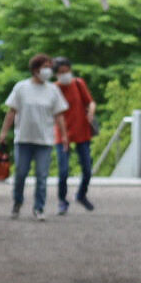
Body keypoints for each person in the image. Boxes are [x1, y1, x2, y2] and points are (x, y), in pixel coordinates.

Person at [0, 52, 68, 221]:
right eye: (45, 67)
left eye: (49, 68)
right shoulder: (21, 87)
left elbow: (59, 115)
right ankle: (17, 202)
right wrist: (3, 132)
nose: (48, 71)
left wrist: (64, 136)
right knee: (21, 173)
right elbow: (11, 112)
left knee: (42, 176)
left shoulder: (53, 90)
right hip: (23, 139)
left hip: (44, 140)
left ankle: (39, 207)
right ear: (36, 69)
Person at [52, 57, 97, 214]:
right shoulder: (53, 88)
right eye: (61, 72)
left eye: (67, 71)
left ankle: (81, 195)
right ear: (56, 74)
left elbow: (90, 102)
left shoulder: (78, 83)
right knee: (63, 170)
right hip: (62, 134)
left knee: (87, 169)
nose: (65, 74)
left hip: (81, 131)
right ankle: (62, 201)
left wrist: (91, 112)